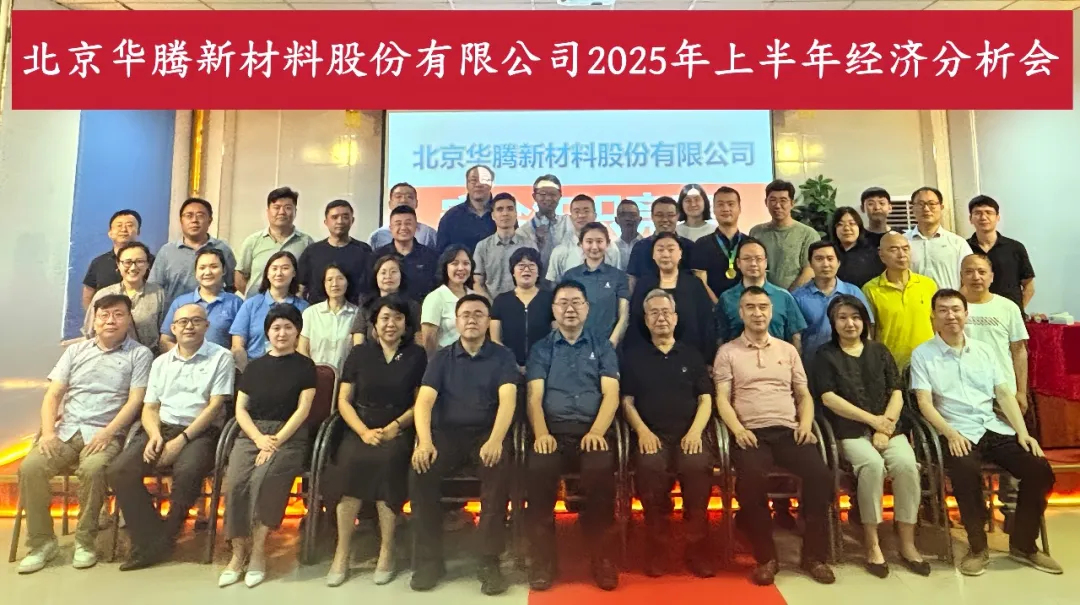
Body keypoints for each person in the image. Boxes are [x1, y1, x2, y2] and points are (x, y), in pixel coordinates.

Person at [911, 289, 1060, 576]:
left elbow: (1003, 393)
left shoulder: (984, 350)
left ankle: (1024, 544)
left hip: (991, 426)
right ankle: (978, 547)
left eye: (956, 309)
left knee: (1040, 470)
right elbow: (924, 403)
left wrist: (1022, 432)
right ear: (933, 316)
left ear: (966, 314)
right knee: (965, 472)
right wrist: (950, 433)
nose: (951, 315)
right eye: (943, 310)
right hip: (955, 431)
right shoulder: (923, 354)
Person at [17, 295, 152, 574]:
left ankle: (85, 541)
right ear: (94, 320)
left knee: (93, 469)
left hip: (107, 433)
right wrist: (48, 433)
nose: (110, 320)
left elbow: (135, 400)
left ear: (129, 319)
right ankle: (42, 543)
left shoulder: (139, 354)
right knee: (30, 468)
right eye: (104, 315)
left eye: (118, 314)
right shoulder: (75, 352)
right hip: (67, 431)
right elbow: (53, 395)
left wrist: (109, 432)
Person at [713, 286, 836, 586]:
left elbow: (803, 394)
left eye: (763, 307)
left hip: (789, 431)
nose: (757, 313)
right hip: (750, 433)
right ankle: (766, 557)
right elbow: (722, 398)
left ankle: (814, 556)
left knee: (820, 476)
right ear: (741, 313)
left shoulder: (788, 350)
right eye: (750, 307)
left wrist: (805, 424)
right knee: (751, 481)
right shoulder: (727, 352)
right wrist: (738, 430)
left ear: (771, 312)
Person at [108, 303, 235, 571]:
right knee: (119, 471)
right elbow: (150, 407)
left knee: (187, 471)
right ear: (173, 328)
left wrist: (182, 440)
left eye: (196, 321)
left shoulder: (221, 357)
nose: (189, 326)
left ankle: (166, 535)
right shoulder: (161, 362)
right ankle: (154, 537)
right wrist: (155, 435)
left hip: (201, 431)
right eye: (183, 322)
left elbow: (214, 407)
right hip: (161, 427)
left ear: (206, 326)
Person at [408, 295, 519, 594]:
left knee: (497, 473)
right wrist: (424, 442)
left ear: (488, 322)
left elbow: (508, 400)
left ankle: (489, 561)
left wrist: (496, 439)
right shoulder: (442, 358)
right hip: (447, 436)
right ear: (456, 322)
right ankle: (429, 561)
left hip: (486, 435)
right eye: (466, 314)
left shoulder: (502, 356)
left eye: (479, 314)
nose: (472, 319)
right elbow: (424, 402)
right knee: (420, 471)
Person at [813, 295, 929, 578]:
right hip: (848, 430)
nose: (850, 323)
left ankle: (907, 542)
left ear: (864, 321)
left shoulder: (879, 351)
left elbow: (897, 391)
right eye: (842, 318)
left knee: (907, 465)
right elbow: (828, 398)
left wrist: (885, 424)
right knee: (872, 465)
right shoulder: (825, 355)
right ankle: (872, 542)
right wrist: (872, 421)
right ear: (833, 322)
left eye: (856, 317)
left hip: (889, 427)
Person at [524, 280, 621, 591]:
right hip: (552, 432)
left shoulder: (602, 346)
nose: (570, 308)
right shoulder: (541, 348)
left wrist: (597, 431)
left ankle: (601, 557)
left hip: (591, 431)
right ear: (553, 309)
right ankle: (542, 559)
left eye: (577, 302)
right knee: (538, 473)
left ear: (587, 308)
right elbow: (534, 396)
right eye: (563, 302)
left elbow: (611, 394)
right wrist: (541, 433)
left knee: (600, 473)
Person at [326, 296, 427, 587]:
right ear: (374, 323)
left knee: (389, 465)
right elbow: (343, 400)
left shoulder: (416, 355)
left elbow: (420, 401)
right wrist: (362, 431)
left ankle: (386, 550)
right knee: (349, 465)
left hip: (398, 427)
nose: (390, 324)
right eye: (384, 318)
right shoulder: (359, 353)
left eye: (397, 318)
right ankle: (342, 552)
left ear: (406, 324)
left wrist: (396, 426)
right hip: (359, 425)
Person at [219, 304, 317, 588]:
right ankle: (238, 553)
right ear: (267, 332)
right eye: (276, 328)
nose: (282, 333)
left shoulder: (306, 366)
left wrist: (274, 442)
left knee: (264, 480)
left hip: (289, 435)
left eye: (288, 327)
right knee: (236, 483)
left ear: (297, 332)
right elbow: (241, 409)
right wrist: (258, 439)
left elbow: (303, 409)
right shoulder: (254, 366)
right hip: (252, 434)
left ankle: (259, 552)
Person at [620, 289, 715, 578]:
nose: (660, 318)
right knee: (650, 469)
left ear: (675, 318)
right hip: (652, 434)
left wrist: (695, 432)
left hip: (690, 433)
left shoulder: (692, 354)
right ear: (645, 320)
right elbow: (627, 402)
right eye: (654, 313)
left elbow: (706, 399)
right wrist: (642, 432)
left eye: (665, 312)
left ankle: (697, 548)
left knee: (697, 468)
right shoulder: (633, 357)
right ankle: (657, 547)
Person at [959, 253, 1030, 534]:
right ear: (961, 275)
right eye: (969, 271)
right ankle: (977, 513)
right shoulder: (954, 306)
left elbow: (1019, 350)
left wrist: (1021, 391)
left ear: (991, 276)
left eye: (981, 271)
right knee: (969, 456)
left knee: (1014, 449)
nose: (975, 277)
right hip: (964, 397)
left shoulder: (1007, 307)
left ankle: (1011, 510)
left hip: (1003, 394)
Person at [627, 232, 716, 362]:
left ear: (680, 253)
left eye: (671, 249)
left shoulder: (694, 284)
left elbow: (706, 323)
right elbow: (636, 322)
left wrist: (708, 359)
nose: (665, 254)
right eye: (660, 250)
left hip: (691, 356)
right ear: (653, 255)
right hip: (651, 356)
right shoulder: (644, 284)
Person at [861, 233, 937, 369]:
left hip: (928, 363)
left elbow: (937, 324)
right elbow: (869, 333)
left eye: (905, 248)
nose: (901, 254)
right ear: (881, 255)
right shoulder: (870, 289)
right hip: (890, 365)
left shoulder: (928, 285)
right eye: (894, 249)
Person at [715, 237, 806, 349]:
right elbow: (720, 338)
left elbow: (795, 337)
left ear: (766, 263)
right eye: (747, 259)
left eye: (758, 259)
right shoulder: (727, 298)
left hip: (776, 358)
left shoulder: (784, 296)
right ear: (738, 263)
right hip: (738, 357)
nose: (753, 263)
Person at [792, 241, 873, 365]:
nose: (825, 264)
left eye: (830, 259)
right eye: (819, 259)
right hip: (813, 365)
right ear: (810, 264)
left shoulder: (853, 292)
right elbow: (796, 338)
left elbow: (866, 329)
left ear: (838, 262)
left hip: (853, 365)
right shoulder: (798, 297)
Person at [148, 197, 237, 309]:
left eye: (200, 215)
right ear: (181, 221)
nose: (194, 220)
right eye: (189, 216)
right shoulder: (167, 251)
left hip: (213, 314)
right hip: (176, 315)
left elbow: (232, 286)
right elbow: (155, 288)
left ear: (210, 220)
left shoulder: (223, 249)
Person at [229, 251, 309, 372]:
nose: (279, 273)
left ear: (294, 273)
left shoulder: (304, 308)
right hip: (253, 368)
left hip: (290, 370)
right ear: (267, 273)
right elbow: (237, 346)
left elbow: (304, 346)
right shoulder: (251, 304)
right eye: (274, 268)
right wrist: (247, 373)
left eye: (285, 268)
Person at [83, 241, 167, 354]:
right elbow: (90, 332)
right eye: (127, 262)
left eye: (140, 262)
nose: (133, 268)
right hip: (109, 357)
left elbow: (165, 336)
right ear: (118, 265)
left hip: (149, 357)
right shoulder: (103, 295)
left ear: (148, 265)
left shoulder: (159, 294)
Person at [235, 186, 315, 297]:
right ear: (268, 211)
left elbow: (311, 278)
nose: (282, 212)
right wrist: (257, 299)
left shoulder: (306, 242)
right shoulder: (252, 241)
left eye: (288, 208)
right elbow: (240, 277)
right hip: (258, 304)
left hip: (293, 305)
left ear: (295, 211)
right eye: (276, 207)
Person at [159, 247, 243, 351]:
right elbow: (165, 340)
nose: (207, 272)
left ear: (224, 270)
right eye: (202, 268)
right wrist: (185, 356)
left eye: (214, 267)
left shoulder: (236, 303)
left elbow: (239, 345)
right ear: (196, 272)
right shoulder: (180, 302)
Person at [562, 222, 630, 347]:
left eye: (599, 241)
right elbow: (562, 313)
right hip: (576, 346)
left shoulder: (618, 276)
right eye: (589, 241)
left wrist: (611, 343)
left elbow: (624, 315)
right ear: (581, 244)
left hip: (608, 346)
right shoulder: (570, 276)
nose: (594, 247)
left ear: (607, 243)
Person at [490, 247, 555, 371]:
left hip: (544, 366)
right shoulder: (501, 300)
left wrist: (540, 364)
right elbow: (495, 340)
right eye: (521, 266)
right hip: (508, 367)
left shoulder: (550, 299)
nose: (526, 269)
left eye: (531, 266)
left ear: (538, 272)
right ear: (513, 272)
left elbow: (555, 336)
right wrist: (511, 364)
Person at [967, 195, 1036, 311]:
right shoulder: (963, 247)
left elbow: (1029, 286)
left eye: (989, 212)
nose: (983, 217)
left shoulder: (1015, 248)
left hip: (1009, 314)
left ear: (997, 217)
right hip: (975, 314)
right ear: (970, 219)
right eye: (977, 213)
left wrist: (1017, 311)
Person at [749, 179, 820, 292]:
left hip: (796, 296)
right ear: (766, 202)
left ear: (792, 203)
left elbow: (809, 270)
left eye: (783, 200)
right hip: (761, 295)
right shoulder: (756, 232)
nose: (777, 205)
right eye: (773, 200)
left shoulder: (808, 234)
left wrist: (787, 296)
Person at [297, 199, 373, 305]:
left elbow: (371, 287)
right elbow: (300, 288)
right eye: (334, 217)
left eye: (345, 217)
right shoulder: (312, 251)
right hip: (317, 312)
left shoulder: (364, 250)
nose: (340, 221)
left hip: (355, 311)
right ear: (326, 222)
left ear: (352, 220)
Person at [82, 209, 155, 310]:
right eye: (119, 225)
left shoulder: (152, 261)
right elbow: (88, 295)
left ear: (138, 232)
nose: (124, 229)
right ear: (110, 233)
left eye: (129, 225)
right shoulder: (98, 263)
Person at [473, 192, 539, 300]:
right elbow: (477, 283)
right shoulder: (482, 247)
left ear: (516, 214)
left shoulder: (529, 245)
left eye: (510, 209)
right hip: (491, 306)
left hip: (523, 305)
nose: (505, 213)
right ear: (493, 216)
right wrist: (489, 305)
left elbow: (536, 280)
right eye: (500, 209)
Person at [546, 194, 621, 282]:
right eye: (577, 211)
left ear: (595, 215)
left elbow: (617, 279)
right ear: (570, 217)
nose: (581, 215)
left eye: (586, 211)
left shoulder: (610, 248)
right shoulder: (561, 249)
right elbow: (553, 283)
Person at [299, 264, 360, 373]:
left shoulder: (357, 314)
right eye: (329, 279)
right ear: (323, 284)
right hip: (314, 376)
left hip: (346, 377)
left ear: (348, 282)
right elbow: (302, 349)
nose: (335, 284)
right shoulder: (310, 313)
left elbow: (358, 353)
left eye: (340, 278)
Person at [905, 186, 967, 291]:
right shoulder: (902, 242)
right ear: (913, 208)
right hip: (913, 301)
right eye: (920, 204)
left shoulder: (958, 243)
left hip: (950, 301)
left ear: (941, 207)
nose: (926, 209)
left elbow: (968, 278)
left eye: (932, 204)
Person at [372, 205, 440, 301]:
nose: (403, 228)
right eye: (398, 224)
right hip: (388, 308)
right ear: (391, 228)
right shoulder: (377, 256)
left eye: (408, 223)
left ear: (416, 227)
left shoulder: (431, 257)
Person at [625, 196, 694, 291]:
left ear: (677, 216)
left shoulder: (689, 246)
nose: (665, 219)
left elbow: (696, 278)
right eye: (659, 215)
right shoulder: (640, 247)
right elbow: (632, 279)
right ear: (652, 217)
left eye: (670, 215)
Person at [351, 254, 422, 346]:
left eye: (393, 272)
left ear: (401, 276)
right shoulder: (366, 305)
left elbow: (419, 340)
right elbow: (358, 342)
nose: (388, 276)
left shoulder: (413, 306)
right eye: (383, 272)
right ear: (376, 276)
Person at [691, 186, 745, 303]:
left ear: (739, 208)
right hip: (711, 308)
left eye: (731, 204)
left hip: (746, 308)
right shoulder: (701, 245)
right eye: (720, 204)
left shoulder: (750, 244)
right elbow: (700, 283)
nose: (725, 209)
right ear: (714, 209)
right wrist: (718, 306)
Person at [421, 245, 476, 356]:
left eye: (466, 263)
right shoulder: (435, 297)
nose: (461, 268)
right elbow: (428, 339)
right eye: (455, 263)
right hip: (446, 360)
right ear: (445, 267)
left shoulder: (475, 297)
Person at [435, 164, 496, 254]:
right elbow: (441, 254)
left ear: (492, 184)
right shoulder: (451, 217)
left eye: (484, 180)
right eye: (473, 180)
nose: (478, 184)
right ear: (467, 184)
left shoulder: (504, 214)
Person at [516, 174, 573, 267]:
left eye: (553, 194)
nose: (548, 198)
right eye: (543, 194)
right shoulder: (523, 231)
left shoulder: (569, 223)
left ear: (560, 196)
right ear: (534, 196)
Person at [369, 182, 438, 250]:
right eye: (398, 196)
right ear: (390, 203)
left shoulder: (428, 233)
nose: (404, 200)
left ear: (416, 203)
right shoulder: (378, 236)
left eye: (409, 197)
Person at [830, 206, 885, 288]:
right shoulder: (829, 252)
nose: (846, 228)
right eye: (840, 224)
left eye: (852, 223)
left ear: (859, 227)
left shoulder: (873, 254)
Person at [613, 198, 643, 271]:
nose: (627, 218)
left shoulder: (649, 245)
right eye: (623, 215)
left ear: (640, 219)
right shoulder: (612, 247)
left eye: (632, 215)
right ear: (616, 220)